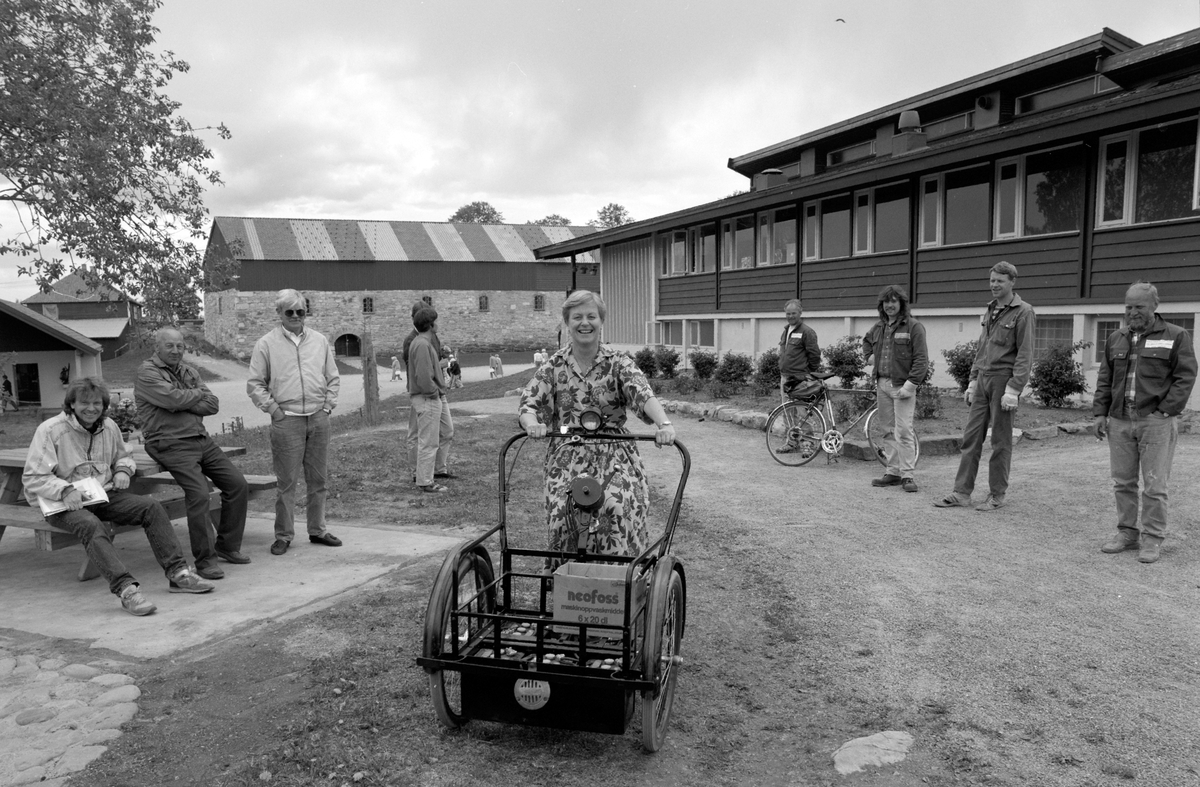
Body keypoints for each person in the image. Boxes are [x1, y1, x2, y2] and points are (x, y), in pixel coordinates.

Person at [23, 378, 214, 616]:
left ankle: (178, 574)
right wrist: (65, 490)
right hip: (62, 503)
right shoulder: (51, 430)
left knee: (151, 507)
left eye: (97, 403)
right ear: (71, 404)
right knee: (91, 525)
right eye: (84, 403)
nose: (91, 408)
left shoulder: (109, 426)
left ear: (104, 406)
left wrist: (123, 469)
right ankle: (127, 590)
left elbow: (124, 456)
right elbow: (33, 477)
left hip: (102, 495)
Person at [518, 290, 676, 558]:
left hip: (614, 453)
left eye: (591, 316)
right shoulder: (554, 365)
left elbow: (641, 392)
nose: (585, 323)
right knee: (563, 516)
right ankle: (569, 583)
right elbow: (528, 404)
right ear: (567, 323)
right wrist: (532, 423)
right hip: (567, 453)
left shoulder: (618, 363)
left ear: (601, 321)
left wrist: (664, 423)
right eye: (577, 317)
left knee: (616, 508)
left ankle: (617, 585)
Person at [1094, 282, 1197, 564]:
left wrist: (1165, 411)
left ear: (1154, 306)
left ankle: (1152, 539)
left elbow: (1185, 376)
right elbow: (1105, 378)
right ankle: (1127, 533)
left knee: (1154, 484)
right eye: (1128, 306)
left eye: (1139, 306)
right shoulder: (1116, 337)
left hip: (1155, 421)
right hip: (1120, 420)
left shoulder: (1176, 335)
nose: (1133, 312)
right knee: (1123, 482)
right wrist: (1100, 413)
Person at [136, 327, 250, 579]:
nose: (176, 350)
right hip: (168, 442)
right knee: (199, 494)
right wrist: (188, 398)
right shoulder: (147, 372)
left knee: (237, 485)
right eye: (170, 346)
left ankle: (227, 546)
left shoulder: (189, 371)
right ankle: (205, 561)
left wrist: (180, 401)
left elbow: (212, 404)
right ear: (157, 347)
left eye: (180, 346)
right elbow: (172, 399)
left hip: (200, 439)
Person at [247, 289, 343, 555]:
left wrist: (327, 406)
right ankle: (284, 535)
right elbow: (255, 383)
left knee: (318, 480)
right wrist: (274, 410)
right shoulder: (266, 344)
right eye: (289, 312)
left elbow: (332, 377)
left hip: (318, 418)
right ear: (279, 313)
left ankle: (318, 530)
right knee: (286, 483)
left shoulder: (320, 341)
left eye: (300, 311)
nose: (295, 316)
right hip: (286, 420)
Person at [935, 261, 1035, 512]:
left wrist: (1014, 389)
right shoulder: (990, 310)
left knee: (1001, 441)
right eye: (991, 280)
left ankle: (997, 494)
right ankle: (962, 492)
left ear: (1012, 282)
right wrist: (972, 379)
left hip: (1004, 381)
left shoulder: (1023, 312)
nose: (994, 285)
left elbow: (1025, 353)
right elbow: (982, 347)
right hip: (983, 380)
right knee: (971, 438)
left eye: (999, 281)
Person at [862, 285, 928, 493]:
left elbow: (921, 359)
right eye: (886, 302)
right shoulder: (879, 327)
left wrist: (911, 385)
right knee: (888, 431)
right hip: (882, 385)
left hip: (902, 387)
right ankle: (893, 472)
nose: (890, 305)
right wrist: (869, 357)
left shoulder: (914, 327)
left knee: (904, 431)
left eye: (894, 301)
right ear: (882, 305)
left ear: (901, 303)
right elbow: (866, 342)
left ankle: (907, 475)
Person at [402, 302, 453, 483]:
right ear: (430, 324)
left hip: (431, 395)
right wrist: (433, 392)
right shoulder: (421, 344)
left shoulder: (423, 341)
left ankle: (432, 474)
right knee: (427, 441)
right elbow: (423, 375)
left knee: (438, 436)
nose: (438, 324)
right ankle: (424, 480)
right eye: (435, 321)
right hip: (427, 396)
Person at [778, 299, 822, 400]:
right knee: (786, 411)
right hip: (785, 377)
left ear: (800, 313)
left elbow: (814, 355)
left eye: (794, 313)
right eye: (788, 314)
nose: (790, 316)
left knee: (802, 412)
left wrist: (807, 373)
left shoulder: (807, 332)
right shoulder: (785, 331)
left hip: (800, 378)